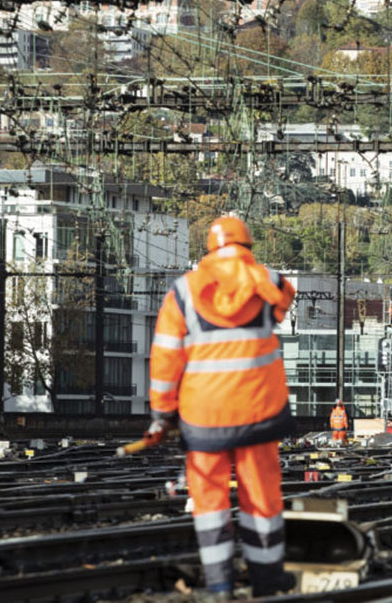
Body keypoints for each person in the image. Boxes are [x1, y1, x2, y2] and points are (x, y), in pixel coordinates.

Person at [147, 215, 297, 598]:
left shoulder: (183, 292)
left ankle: (219, 586)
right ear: (247, 245)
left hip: (203, 417)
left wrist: (162, 411)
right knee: (262, 499)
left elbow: (165, 357)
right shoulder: (270, 284)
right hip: (258, 411)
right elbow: (285, 298)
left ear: (210, 249)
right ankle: (266, 583)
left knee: (210, 503)